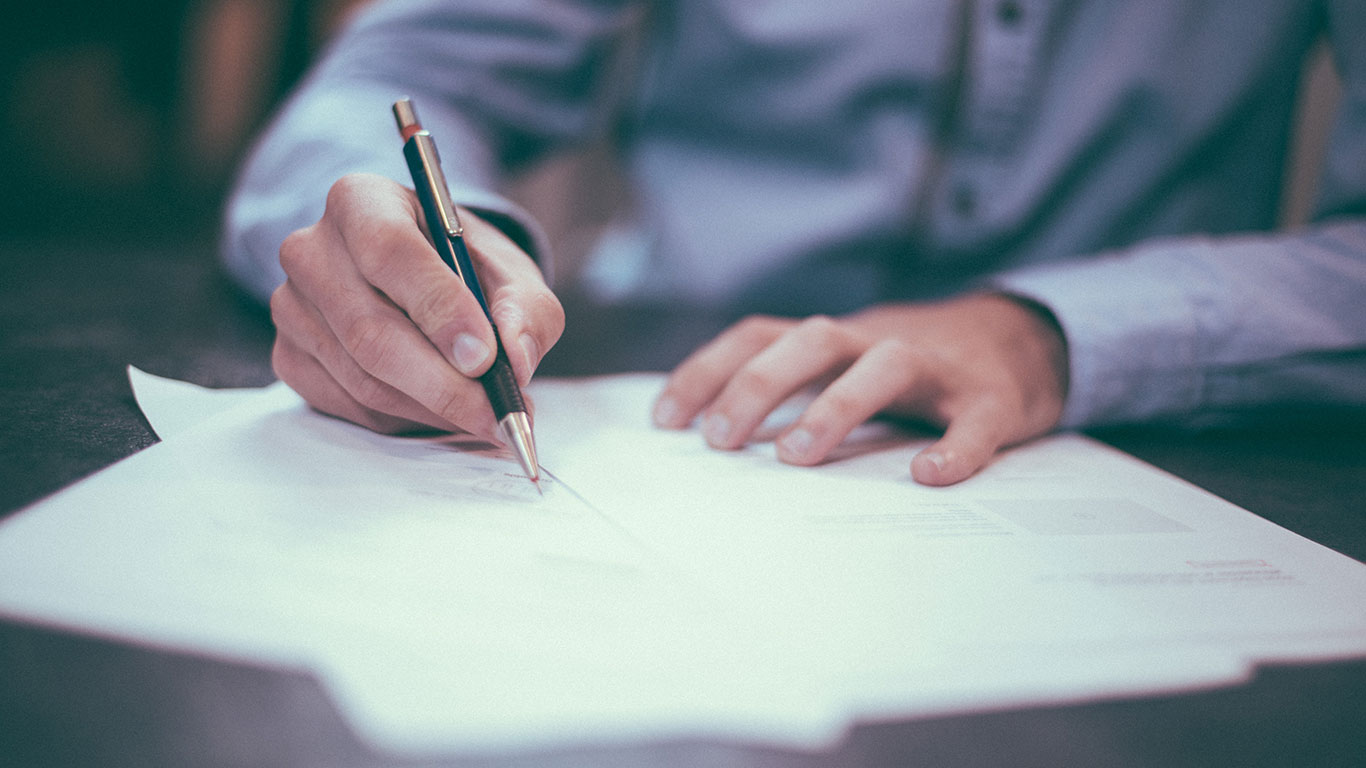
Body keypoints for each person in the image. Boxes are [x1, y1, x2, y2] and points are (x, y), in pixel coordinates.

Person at [222, 0, 1366, 486]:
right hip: (673, 401)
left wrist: (1052, 335)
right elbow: (382, 88)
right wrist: (409, 253)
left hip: (1155, 442)